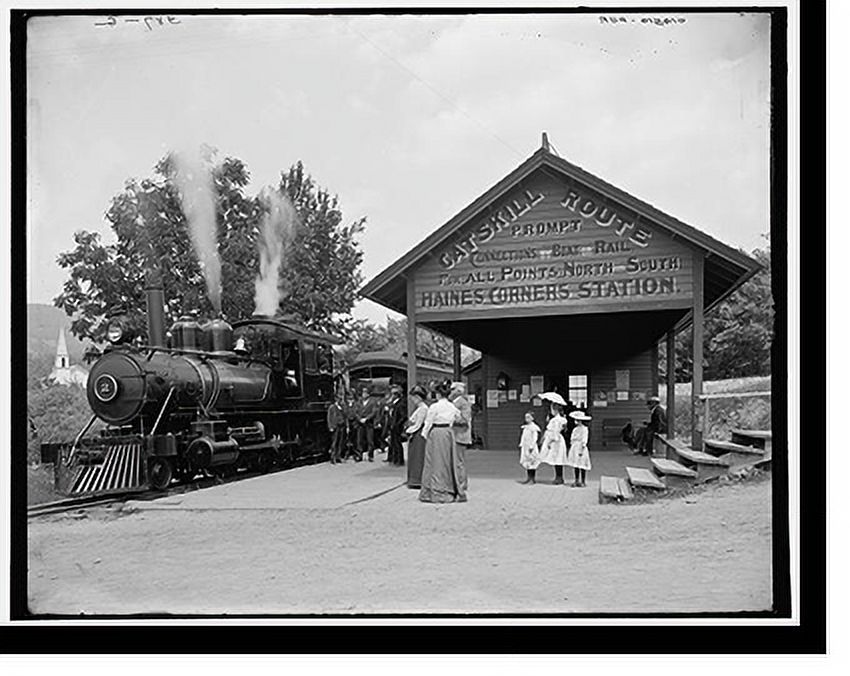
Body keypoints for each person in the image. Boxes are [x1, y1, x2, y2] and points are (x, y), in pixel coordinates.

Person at [419, 380, 467, 503]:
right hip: (448, 433)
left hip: (436, 433)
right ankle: (448, 488)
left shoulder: (434, 407)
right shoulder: (452, 406)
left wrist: (424, 434)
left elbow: (428, 422)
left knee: (433, 461)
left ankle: (432, 491)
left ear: (438, 394)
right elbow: (459, 417)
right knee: (447, 461)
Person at [538, 402, 568, 485]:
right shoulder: (558, 419)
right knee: (557, 459)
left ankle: (559, 477)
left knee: (557, 458)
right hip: (557, 440)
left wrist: (550, 441)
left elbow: (555, 432)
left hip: (555, 441)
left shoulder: (556, 420)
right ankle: (559, 477)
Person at [449, 381, 472, 491]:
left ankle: (462, 483)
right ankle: (458, 481)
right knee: (457, 461)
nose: (450, 392)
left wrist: (451, 419)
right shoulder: (455, 402)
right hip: (456, 435)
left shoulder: (463, 403)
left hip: (460, 435)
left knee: (459, 461)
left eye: (452, 389)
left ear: (458, 391)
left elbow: (465, 419)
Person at [405, 385, 429, 488]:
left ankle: (417, 479)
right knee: (414, 456)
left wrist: (408, 431)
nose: (412, 400)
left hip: (419, 434)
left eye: (414, 397)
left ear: (419, 397)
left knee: (418, 456)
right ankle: (413, 478)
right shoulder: (420, 408)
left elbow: (418, 424)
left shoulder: (423, 408)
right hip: (416, 434)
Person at [566, 410, 592, 487]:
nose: (576, 422)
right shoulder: (575, 429)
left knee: (582, 464)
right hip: (575, 446)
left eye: (577, 420)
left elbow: (584, 439)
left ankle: (583, 481)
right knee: (576, 464)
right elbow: (572, 438)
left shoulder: (584, 429)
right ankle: (576, 480)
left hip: (580, 446)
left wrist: (582, 448)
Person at [354, 386, 377, 462]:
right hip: (360, 424)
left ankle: (370, 455)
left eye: (365, 393)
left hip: (368, 423)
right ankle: (359, 455)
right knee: (359, 440)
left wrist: (366, 418)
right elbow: (356, 412)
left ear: (368, 394)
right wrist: (359, 419)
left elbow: (373, 412)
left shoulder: (372, 402)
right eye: (363, 392)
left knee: (370, 440)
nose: (364, 394)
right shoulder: (358, 402)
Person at [385, 384, 407, 466]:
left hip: (396, 426)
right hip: (392, 425)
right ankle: (394, 458)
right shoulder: (394, 403)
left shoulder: (400, 404)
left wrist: (397, 425)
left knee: (397, 443)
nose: (391, 396)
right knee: (393, 443)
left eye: (393, 394)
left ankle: (399, 460)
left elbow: (403, 416)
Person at [518, 411, 541, 484]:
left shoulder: (533, 427)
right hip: (526, 446)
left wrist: (532, 446)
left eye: (528, 417)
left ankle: (532, 478)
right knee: (527, 461)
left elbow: (535, 437)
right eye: (526, 417)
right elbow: (523, 436)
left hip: (531, 446)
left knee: (532, 461)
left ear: (532, 418)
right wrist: (521, 444)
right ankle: (528, 477)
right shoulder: (526, 427)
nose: (526, 419)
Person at [326, 394, 346, 464]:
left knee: (340, 442)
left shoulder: (342, 407)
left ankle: (338, 456)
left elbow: (344, 415)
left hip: (341, 426)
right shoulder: (332, 407)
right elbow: (329, 417)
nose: (339, 400)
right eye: (338, 399)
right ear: (335, 399)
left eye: (340, 399)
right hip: (335, 426)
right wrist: (330, 426)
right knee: (334, 442)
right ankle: (333, 457)